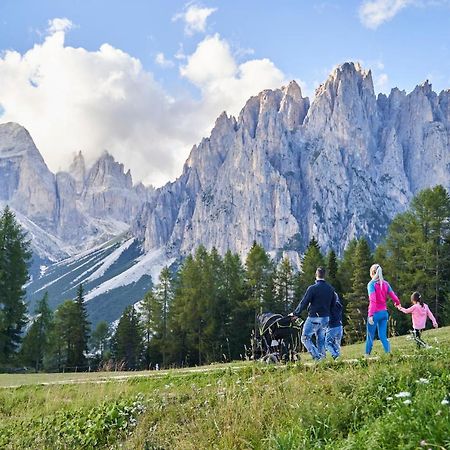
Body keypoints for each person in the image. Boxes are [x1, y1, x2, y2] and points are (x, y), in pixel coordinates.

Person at [291, 267, 337, 361]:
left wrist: (296, 313)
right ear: (325, 276)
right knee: (320, 339)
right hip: (325, 318)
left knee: (305, 338)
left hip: (314, 317)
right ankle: (322, 359)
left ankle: (317, 357)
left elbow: (304, 302)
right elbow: (333, 304)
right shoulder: (330, 289)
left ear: (316, 275)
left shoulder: (312, 288)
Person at [365, 263, 400, 356]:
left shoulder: (371, 285)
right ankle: (388, 353)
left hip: (375, 313)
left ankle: (367, 355)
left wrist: (371, 315)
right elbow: (393, 296)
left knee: (370, 336)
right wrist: (397, 303)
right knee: (383, 336)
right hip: (384, 313)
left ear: (372, 273)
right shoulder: (385, 284)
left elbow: (373, 301)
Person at [325, 293, 343, 360]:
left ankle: (335, 355)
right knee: (336, 343)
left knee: (327, 343)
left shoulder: (329, 307)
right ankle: (338, 356)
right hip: (340, 326)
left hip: (332, 326)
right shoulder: (339, 306)